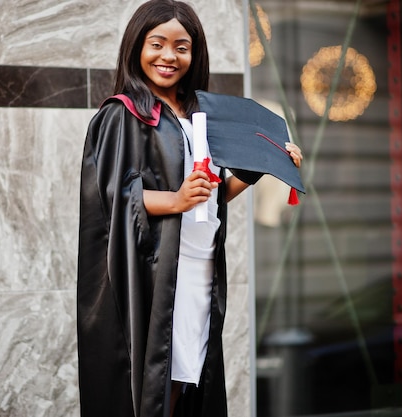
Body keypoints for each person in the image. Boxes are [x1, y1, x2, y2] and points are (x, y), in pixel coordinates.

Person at [77, 1, 303, 417]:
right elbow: (114, 196)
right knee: (159, 383)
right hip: (156, 272)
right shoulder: (123, 114)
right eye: (157, 43)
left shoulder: (200, 116)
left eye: (182, 47)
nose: (169, 56)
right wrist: (177, 199)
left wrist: (265, 166)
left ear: (195, 54)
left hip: (200, 268)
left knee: (187, 379)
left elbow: (210, 195)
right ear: (136, 48)